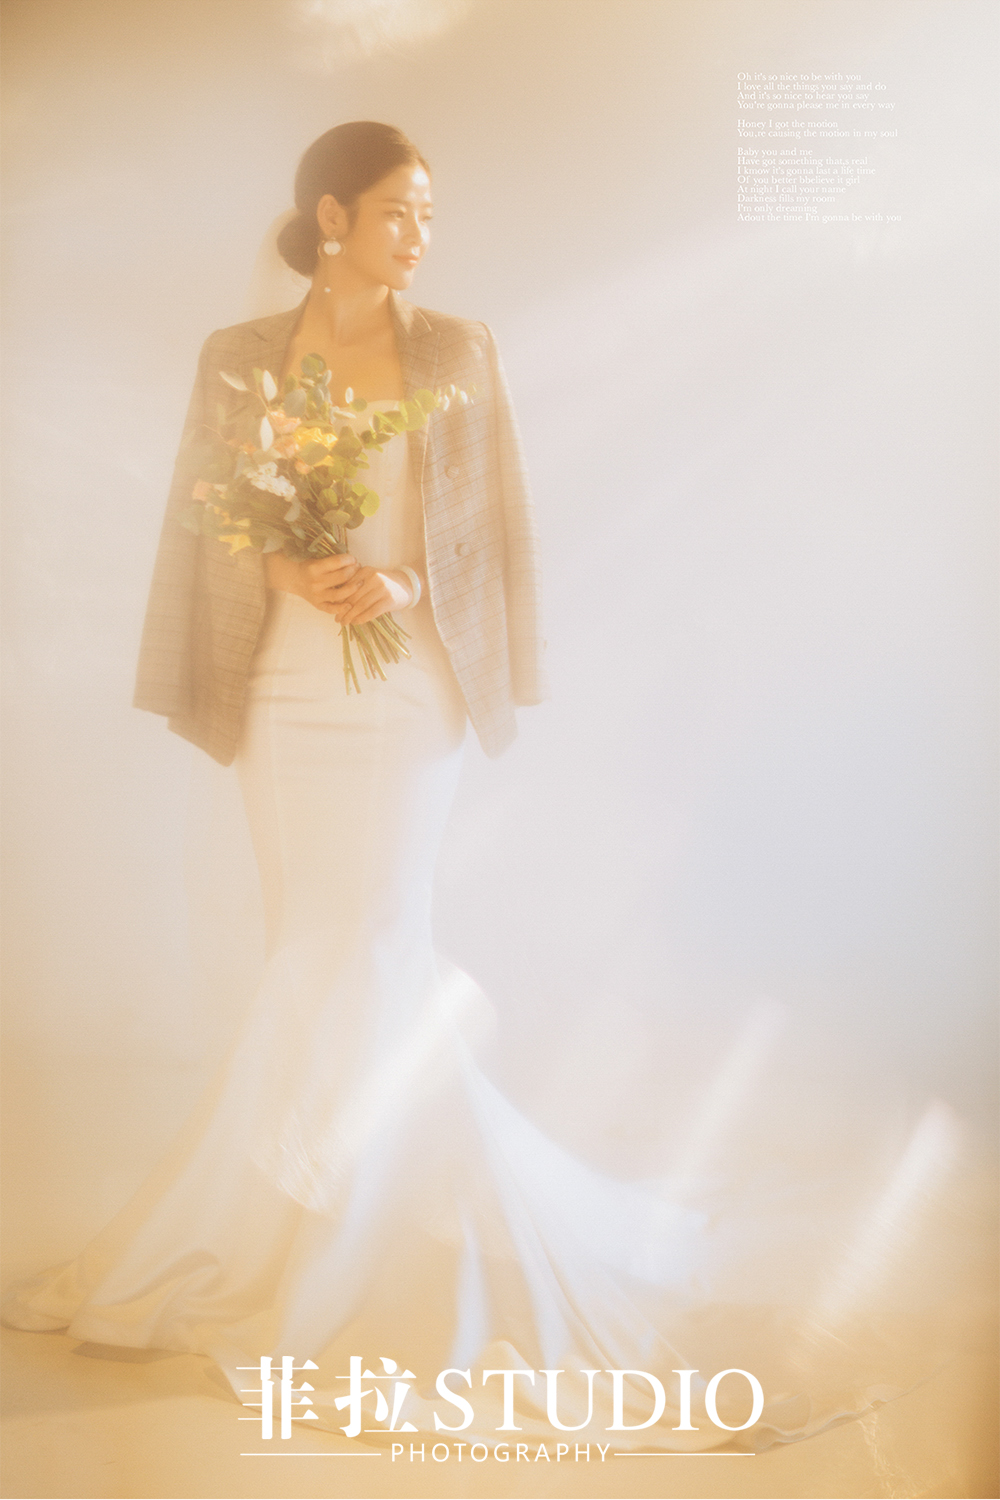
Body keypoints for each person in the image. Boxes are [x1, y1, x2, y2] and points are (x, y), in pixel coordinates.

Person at [1, 122, 934, 1451]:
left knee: (373, 943)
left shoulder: (458, 350)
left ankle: (364, 1250)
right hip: (283, 686)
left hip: (409, 688)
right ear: (332, 216)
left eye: (430, 213)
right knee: (309, 948)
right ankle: (289, 1231)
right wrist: (296, 570)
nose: (421, 233)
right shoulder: (239, 357)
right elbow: (216, 512)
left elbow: (489, 520)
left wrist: (399, 580)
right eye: (399, 210)